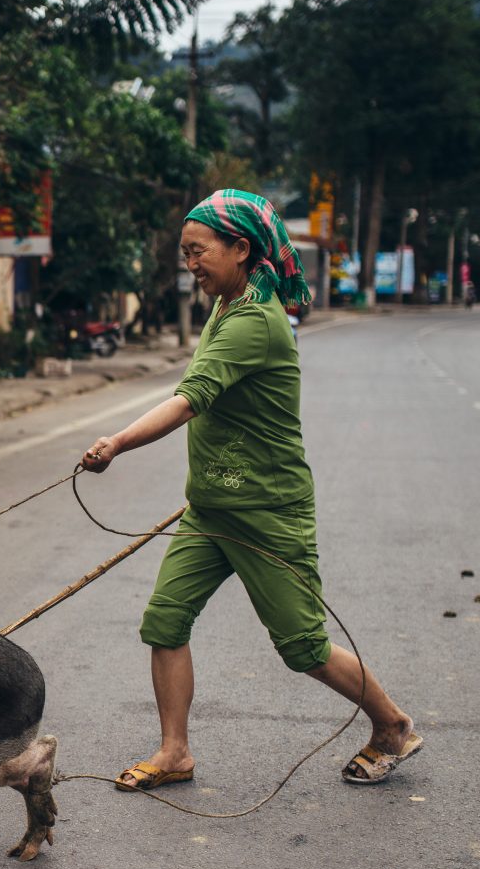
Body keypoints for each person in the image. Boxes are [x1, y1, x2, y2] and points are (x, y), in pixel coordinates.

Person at [81, 189, 421, 790]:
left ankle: (392, 725)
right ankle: (174, 752)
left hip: (267, 512)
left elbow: (189, 400)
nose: (190, 264)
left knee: (303, 647)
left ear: (240, 249)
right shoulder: (227, 303)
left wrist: (116, 443)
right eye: (184, 253)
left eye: (198, 251)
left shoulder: (256, 322)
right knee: (165, 621)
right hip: (212, 509)